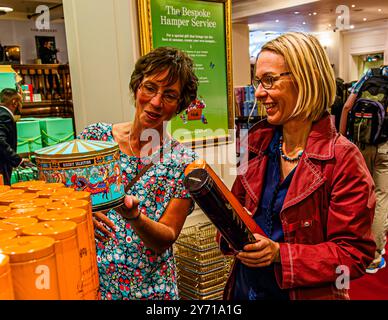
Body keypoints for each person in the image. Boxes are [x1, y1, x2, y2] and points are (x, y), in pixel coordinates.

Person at [219, 32, 376, 300]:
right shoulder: (256, 144)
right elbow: (238, 210)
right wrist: (231, 227)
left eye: (269, 80)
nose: (258, 93)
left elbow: (353, 255)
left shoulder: (343, 158)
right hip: (245, 290)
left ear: (306, 80)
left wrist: (280, 254)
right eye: (258, 81)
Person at [78, 46, 199, 300]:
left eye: (169, 95)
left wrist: (135, 218)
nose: (155, 102)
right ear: (137, 87)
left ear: (179, 105)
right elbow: (65, 197)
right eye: (150, 88)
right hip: (92, 284)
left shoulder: (185, 163)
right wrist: (82, 212)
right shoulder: (95, 140)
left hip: (151, 293)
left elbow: (166, 237)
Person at [339, 65, 388, 274]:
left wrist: (341, 138)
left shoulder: (367, 75)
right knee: (381, 197)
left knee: (361, 196)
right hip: (384, 147)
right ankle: (374, 257)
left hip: (360, 144)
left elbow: (347, 107)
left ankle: (356, 247)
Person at [0, 88, 32, 185]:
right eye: (20, 102)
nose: (21, 106)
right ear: (14, 102)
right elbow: (0, 141)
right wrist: (18, 160)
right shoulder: (4, 116)